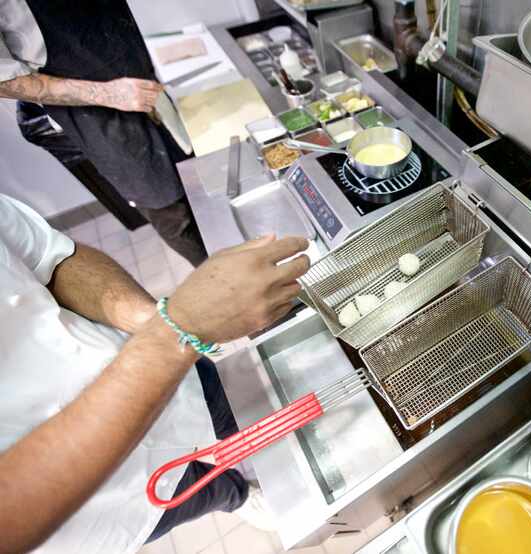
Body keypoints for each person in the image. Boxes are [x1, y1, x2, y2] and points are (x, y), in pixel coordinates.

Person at [0, 192, 311, 553]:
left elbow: (50, 259)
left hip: (171, 375)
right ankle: (238, 496)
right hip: (105, 507)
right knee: (204, 492)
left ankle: (252, 464)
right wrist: (173, 332)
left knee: (241, 422)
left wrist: (153, 322)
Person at [0, 0, 207, 266]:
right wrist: (109, 94)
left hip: (142, 82)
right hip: (96, 116)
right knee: (169, 210)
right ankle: (220, 279)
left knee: (197, 177)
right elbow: (4, 81)